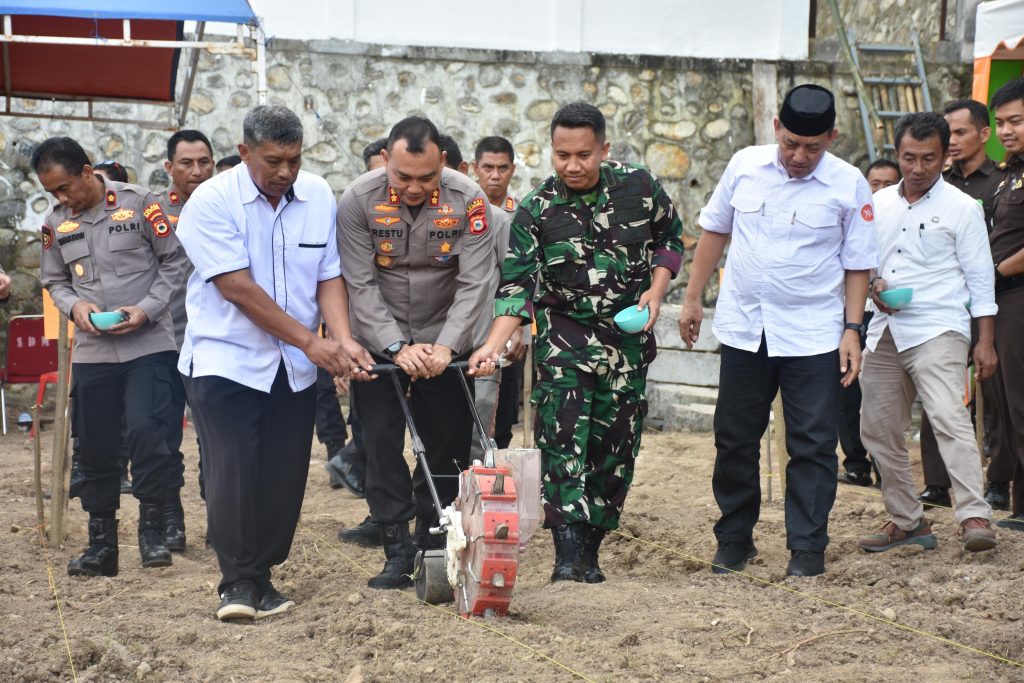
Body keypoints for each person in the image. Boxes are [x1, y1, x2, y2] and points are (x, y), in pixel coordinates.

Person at [469, 102, 685, 584]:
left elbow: (671, 237)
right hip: (564, 338)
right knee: (562, 438)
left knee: (616, 446)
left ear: (604, 149)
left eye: (583, 154)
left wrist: (657, 288)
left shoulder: (639, 186)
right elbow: (516, 287)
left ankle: (591, 547)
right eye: (562, 154)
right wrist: (492, 345)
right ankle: (567, 554)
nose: (572, 165)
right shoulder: (537, 208)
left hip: (626, 342)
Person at [176, 105, 370, 621]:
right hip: (226, 360)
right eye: (273, 161)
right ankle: (237, 583)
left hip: (295, 366)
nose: (285, 172)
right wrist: (312, 342)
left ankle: (263, 574)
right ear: (243, 153)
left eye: (294, 160)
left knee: (283, 475)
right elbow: (237, 288)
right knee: (235, 468)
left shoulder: (319, 195)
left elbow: (329, 276)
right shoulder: (212, 201)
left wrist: (343, 341)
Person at [679, 84, 877, 577]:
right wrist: (692, 297)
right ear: (775, 130)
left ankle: (807, 549)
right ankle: (734, 539)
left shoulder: (849, 184)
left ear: (832, 137)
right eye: (790, 143)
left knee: (811, 442)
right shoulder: (745, 165)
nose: (799, 156)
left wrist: (852, 329)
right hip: (746, 327)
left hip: (814, 334)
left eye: (813, 147)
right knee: (734, 437)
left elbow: (857, 264)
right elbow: (715, 231)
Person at [339, 116, 495, 589]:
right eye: (402, 176)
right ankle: (395, 548)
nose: (413, 188)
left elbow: (475, 281)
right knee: (380, 444)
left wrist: (446, 347)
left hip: (446, 340)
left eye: (426, 178)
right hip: (381, 344)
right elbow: (358, 283)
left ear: (443, 163)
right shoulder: (356, 201)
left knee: (447, 446)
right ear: (385, 160)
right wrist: (395, 346)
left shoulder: (469, 199)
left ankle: (433, 541)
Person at [35, 137, 191, 577]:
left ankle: (153, 531)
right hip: (94, 350)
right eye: (53, 193)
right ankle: (101, 545)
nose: (61, 199)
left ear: (87, 172)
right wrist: (73, 307)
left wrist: (146, 309)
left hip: (150, 344)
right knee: (97, 446)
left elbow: (174, 263)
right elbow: (55, 281)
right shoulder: (55, 224)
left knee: (149, 435)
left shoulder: (142, 204)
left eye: (65, 188)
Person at [857, 112, 998, 554]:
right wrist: (875, 287)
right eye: (909, 158)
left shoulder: (962, 207)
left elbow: (981, 279)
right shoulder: (877, 204)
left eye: (929, 159)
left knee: (947, 416)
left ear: (944, 156)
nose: (918, 169)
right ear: (897, 153)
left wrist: (985, 341)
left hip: (939, 325)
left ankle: (974, 513)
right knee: (877, 428)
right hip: (883, 328)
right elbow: (863, 263)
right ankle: (907, 520)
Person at [914, 99, 1011, 512]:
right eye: (946, 134)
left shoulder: (1003, 182)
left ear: (984, 134)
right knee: (938, 393)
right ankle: (937, 483)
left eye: (960, 132)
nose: (951, 142)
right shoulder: (936, 183)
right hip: (945, 303)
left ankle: (997, 480)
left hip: (994, 300)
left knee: (997, 393)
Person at [327, 138, 390, 543]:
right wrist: (340, 342)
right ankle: (381, 520)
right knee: (373, 433)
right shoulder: (354, 215)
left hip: (422, 342)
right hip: (366, 343)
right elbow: (342, 284)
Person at [474, 135, 528, 449]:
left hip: (509, 324)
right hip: (470, 321)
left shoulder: (523, 213)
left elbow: (528, 277)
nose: (495, 175)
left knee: (504, 410)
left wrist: (522, 330)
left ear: (512, 170)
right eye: (488, 167)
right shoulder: (463, 211)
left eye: (502, 168)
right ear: (475, 168)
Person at [988, 78, 1024, 533]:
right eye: (1000, 123)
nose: (1006, 130)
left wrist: (994, 273)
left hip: (1018, 296)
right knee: (1010, 405)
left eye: (1016, 120)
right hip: (1001, 301)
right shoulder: (1010, 173)